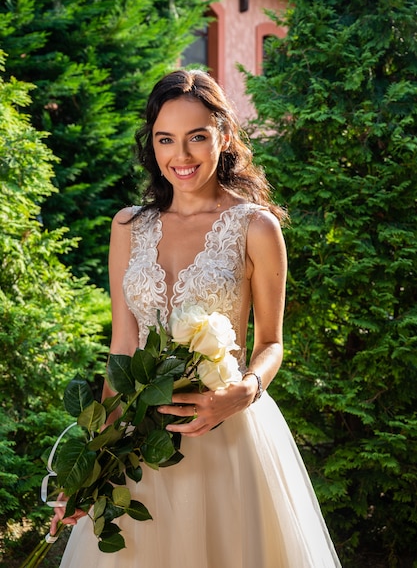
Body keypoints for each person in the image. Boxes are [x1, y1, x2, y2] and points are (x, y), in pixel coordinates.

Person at [52, 69, 341, 567]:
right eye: (166, 139)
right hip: (138, 439)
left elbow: (271, 343)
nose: (180, 156)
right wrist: (94, 458)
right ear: (152, 143)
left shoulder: (255, 226)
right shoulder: (128, 226)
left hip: (223, 432)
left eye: (197, 138)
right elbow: (123, 345)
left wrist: (242, 393)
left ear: (224, 137)